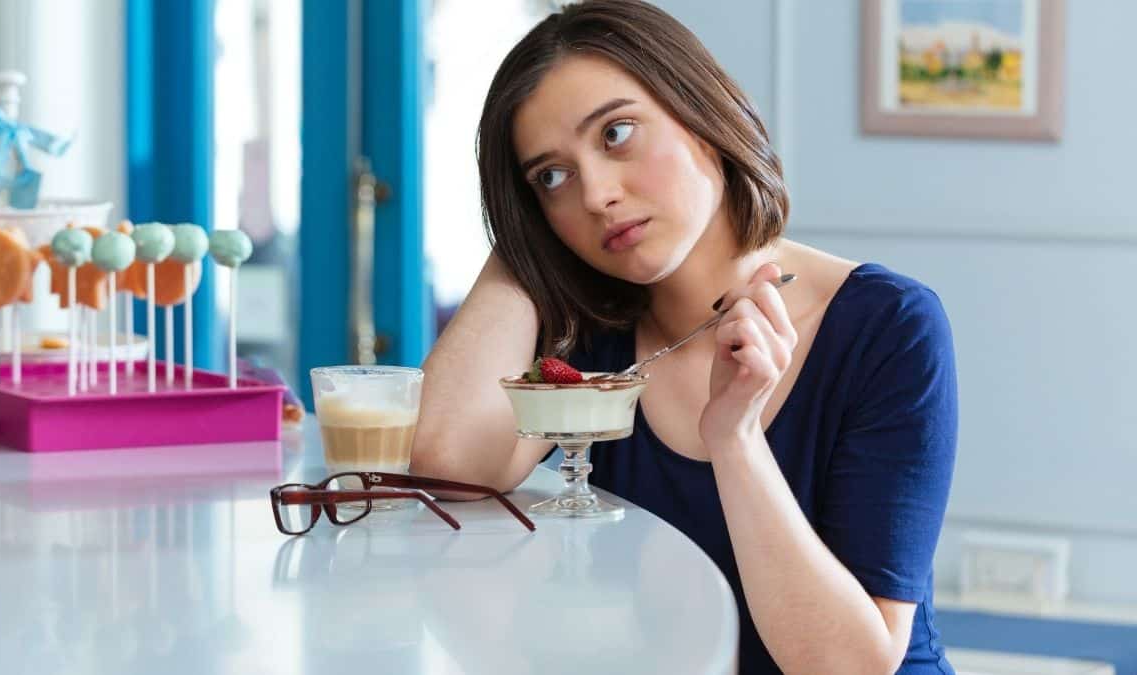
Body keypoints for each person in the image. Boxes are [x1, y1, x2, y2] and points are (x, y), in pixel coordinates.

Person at [410, 1, 958, 672]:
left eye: (616, 133)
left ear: (701, 115)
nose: (595, 195)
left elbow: (849, 664)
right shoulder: (596, 332)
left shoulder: (889, 328)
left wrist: (735, 437)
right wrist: (524, 237)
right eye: (552, 176)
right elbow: (448, 469)